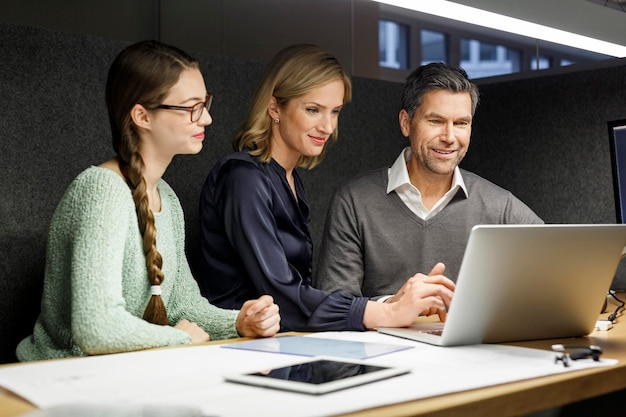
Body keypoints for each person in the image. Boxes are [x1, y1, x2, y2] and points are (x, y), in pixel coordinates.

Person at [16, 40, 280, 362]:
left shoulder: (165, 197)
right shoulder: (102, 191)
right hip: (61, 381)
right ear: (142, 115)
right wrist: (181, 339)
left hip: (126, 375)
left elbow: (184, 305)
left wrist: (239, 321)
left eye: (205, 103)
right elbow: (96, 328)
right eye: (191, 107)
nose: (206, 119)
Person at [197, 44, 454, 332]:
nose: (327, 126)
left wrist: (390, 305)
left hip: (278, 343)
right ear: (274, 107)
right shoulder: (243, 177)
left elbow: (299, 295)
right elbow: (281, 293)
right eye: (313, 110)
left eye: (334, 112)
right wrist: (381, 314)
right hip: (235, 347)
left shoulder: (290, 179)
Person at [314, 62, 543, 300]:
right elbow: (332, 305)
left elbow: (560, 267)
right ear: (406, 123)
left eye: (461, 123)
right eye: (435, 121)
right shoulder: (354, 201)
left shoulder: (500, 205)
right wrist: (394, 306)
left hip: (467, 338)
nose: (449, 137)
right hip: (378, 337)